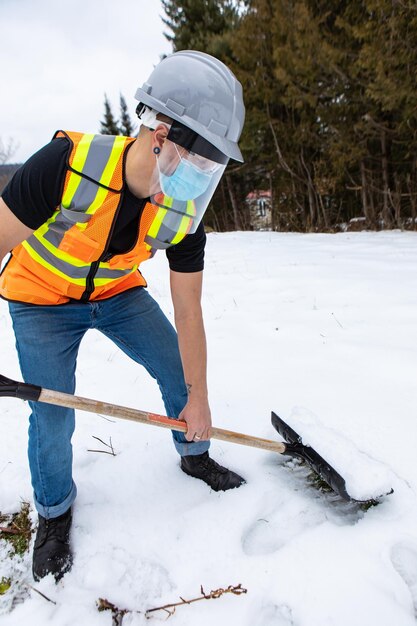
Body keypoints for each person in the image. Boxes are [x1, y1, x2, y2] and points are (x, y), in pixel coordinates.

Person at [0, 50, 246, 582]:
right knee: (52, 410)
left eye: (213, 165)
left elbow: (188, 310)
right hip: (40, 299)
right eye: (201, 159)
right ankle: (55, 513)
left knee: (176, 369)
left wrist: (198, 397)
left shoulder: (185, 213)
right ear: (161, 133)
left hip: (115, 294)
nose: (204, 175)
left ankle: (194, 453)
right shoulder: (66, 164)